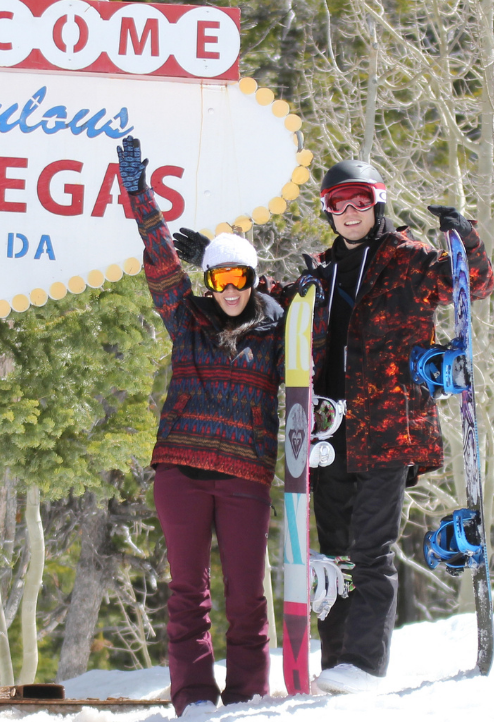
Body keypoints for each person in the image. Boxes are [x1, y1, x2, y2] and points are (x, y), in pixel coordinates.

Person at [118, 137, 324, 714]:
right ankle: (194, 698)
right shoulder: (186, 321)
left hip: (244, 480)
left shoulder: (278, 331)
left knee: (248, 594)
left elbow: (312, 357)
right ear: (207, 283)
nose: (230, 293)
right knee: (188, 591)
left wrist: (307, 300)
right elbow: (160, 258)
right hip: (181, 474)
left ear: (254, 281)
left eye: (241, 280)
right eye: (219, 281)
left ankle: (248, 695)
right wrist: (141, 195)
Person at [294, 161, 493, 693]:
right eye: (338, 203)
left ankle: (364, 662)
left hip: (389, 426)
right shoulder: (319, 272)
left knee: (372, 547)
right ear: (327, 210)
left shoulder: (408, 260)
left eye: (360, 201)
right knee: (331, 553)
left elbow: (475, 283)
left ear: (377, 203)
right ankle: (335, 661)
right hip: (328, 431)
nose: (350, 212)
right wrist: (221, 266)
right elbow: (264, 302)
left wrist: (463, 238)